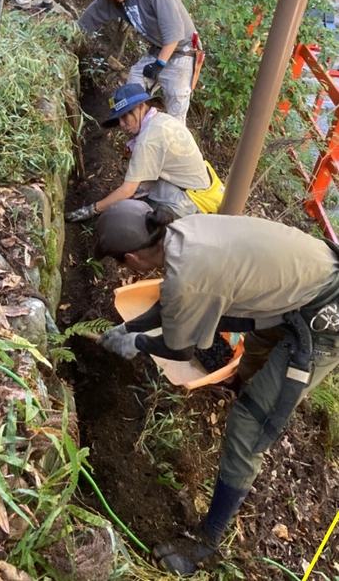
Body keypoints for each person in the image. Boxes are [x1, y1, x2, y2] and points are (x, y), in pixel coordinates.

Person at [94, 199, 339, 576]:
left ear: (133, 257)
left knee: (249, 423)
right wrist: (130, 328)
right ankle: (245, 389)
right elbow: (175, 301)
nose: (123, 268)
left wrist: (137, 344)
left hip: (326, 315)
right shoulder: (185, 231)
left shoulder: (186, 273)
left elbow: (181, 346)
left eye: (120, 262)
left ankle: (206, 542)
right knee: (255, 351)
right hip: (302, 282)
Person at [65, 84, 223, 223]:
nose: (122, 124)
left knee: (138, 222)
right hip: (194, 186)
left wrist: (92, 210)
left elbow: (127, 190)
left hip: (191, 202)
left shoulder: (148, 140)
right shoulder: (162, 120)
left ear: (142, 106)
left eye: (126, 115)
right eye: (119, 119)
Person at [77, 0, 202, 125]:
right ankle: (138, 137)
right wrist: (68, 38)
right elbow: (88, 20)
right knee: (133, 89)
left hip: (182, 50)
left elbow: (174, 33)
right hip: (159, 49)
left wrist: (159, 64)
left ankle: (171, 146)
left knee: (176, 107)